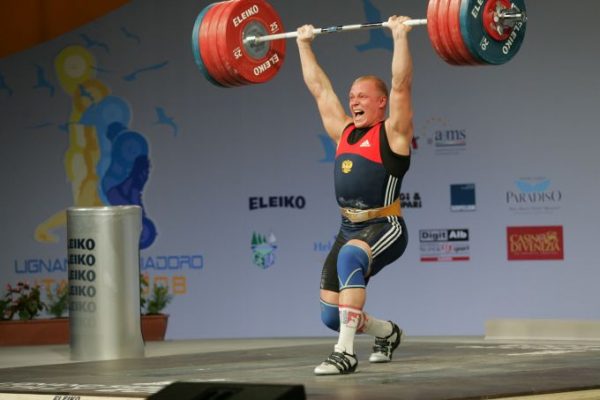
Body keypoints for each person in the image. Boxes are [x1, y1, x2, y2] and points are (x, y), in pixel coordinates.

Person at [296, 15, 414, 375]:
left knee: (350, 257)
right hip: (348, 227)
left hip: (386, 225)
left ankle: (344, 354)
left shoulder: (393, 133)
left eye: (362, 96)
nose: (354, 101)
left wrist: (400, 36)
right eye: (352, 97)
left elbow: (401, 84)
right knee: (331, 315)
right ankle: (387, 333)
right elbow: (319, 88)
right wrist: (303, 44)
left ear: (380, 102)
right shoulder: (343, 132)